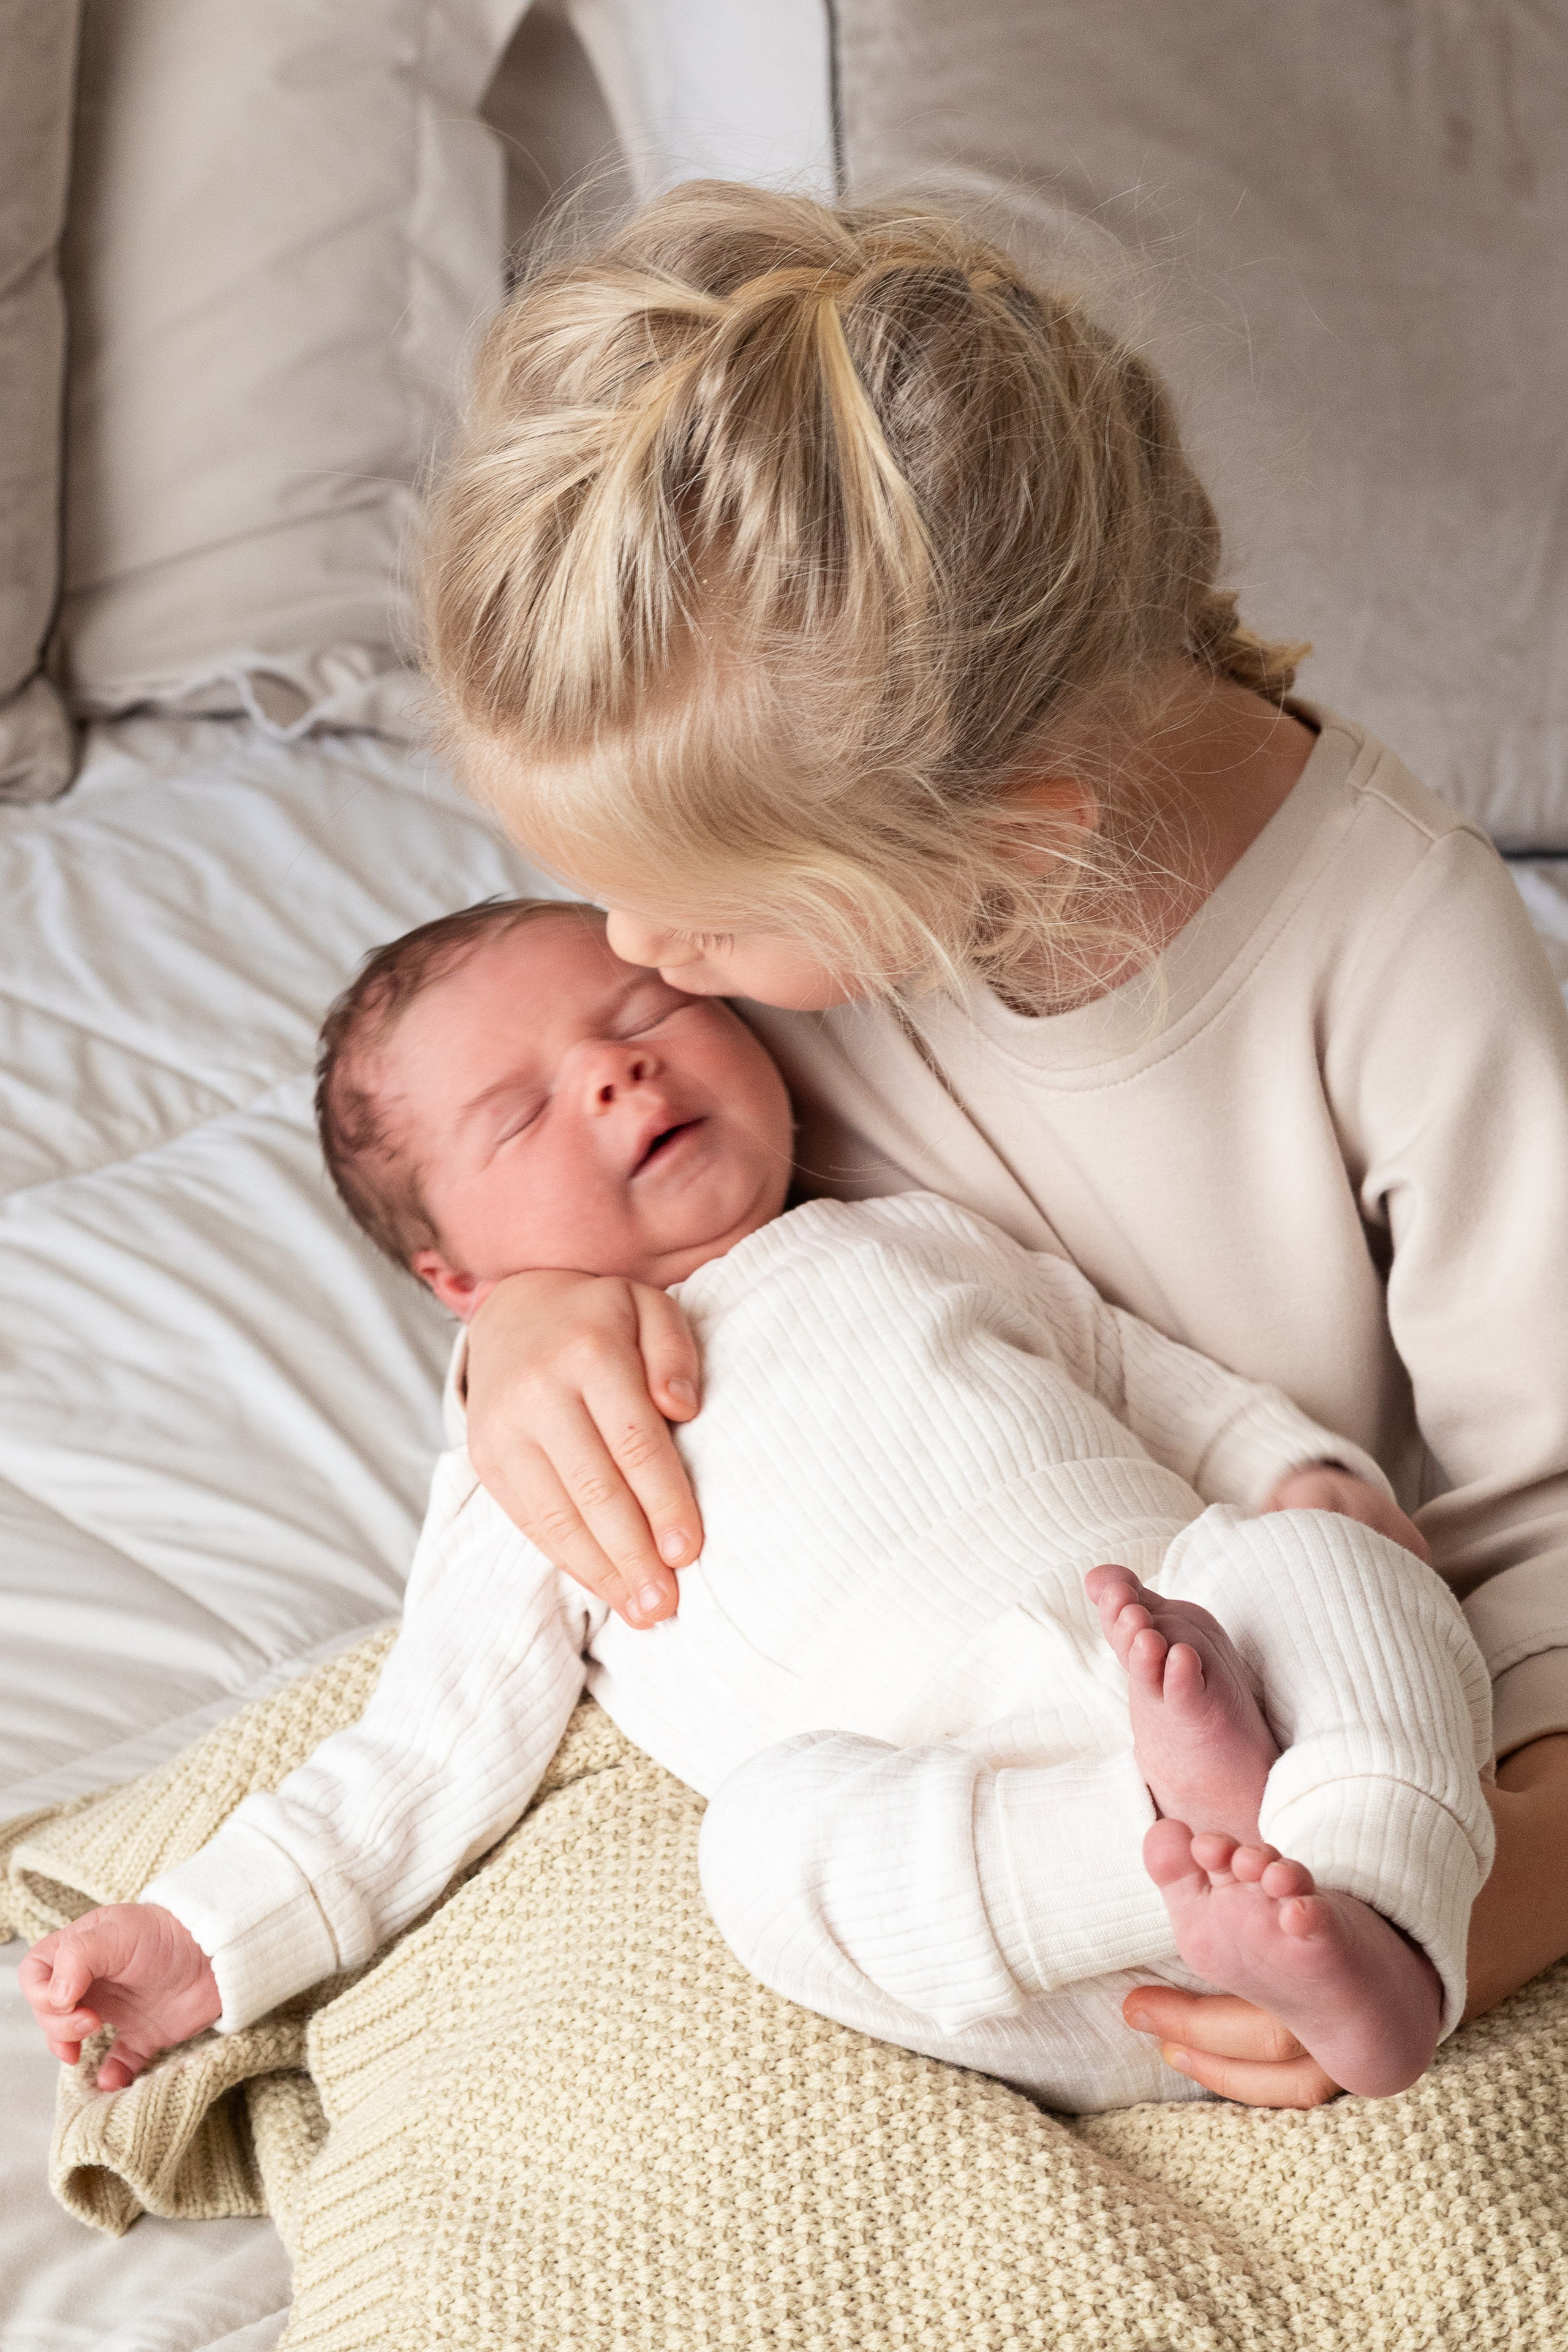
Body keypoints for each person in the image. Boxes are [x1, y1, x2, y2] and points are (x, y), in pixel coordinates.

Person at [416, 182, 1568, 2106]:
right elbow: (672, 1200)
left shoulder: (1407, 955)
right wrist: (527, 1315)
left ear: (1015, 847)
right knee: (769, 1863)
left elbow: (1549, 1528)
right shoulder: (813, 829)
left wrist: (1507, 1893)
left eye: (692, 931)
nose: (635, 969)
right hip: (1008, 1668)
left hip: (1328, 1640)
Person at [21, 900, 1490, 2111]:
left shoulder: (923, 1232)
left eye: (644, 1016)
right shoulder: (521, 1459)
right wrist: (201, 1941)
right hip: (1032, 1927)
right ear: (459, 1284)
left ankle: (1368, 1927)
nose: (614, 1074)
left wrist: (1304, 1479)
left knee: (1321, 1559)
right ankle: (1171, 1852)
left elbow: (1155, 1383)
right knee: (765, 1846)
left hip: (1232, 1693)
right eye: (521, 1112)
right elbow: (420, 1749)